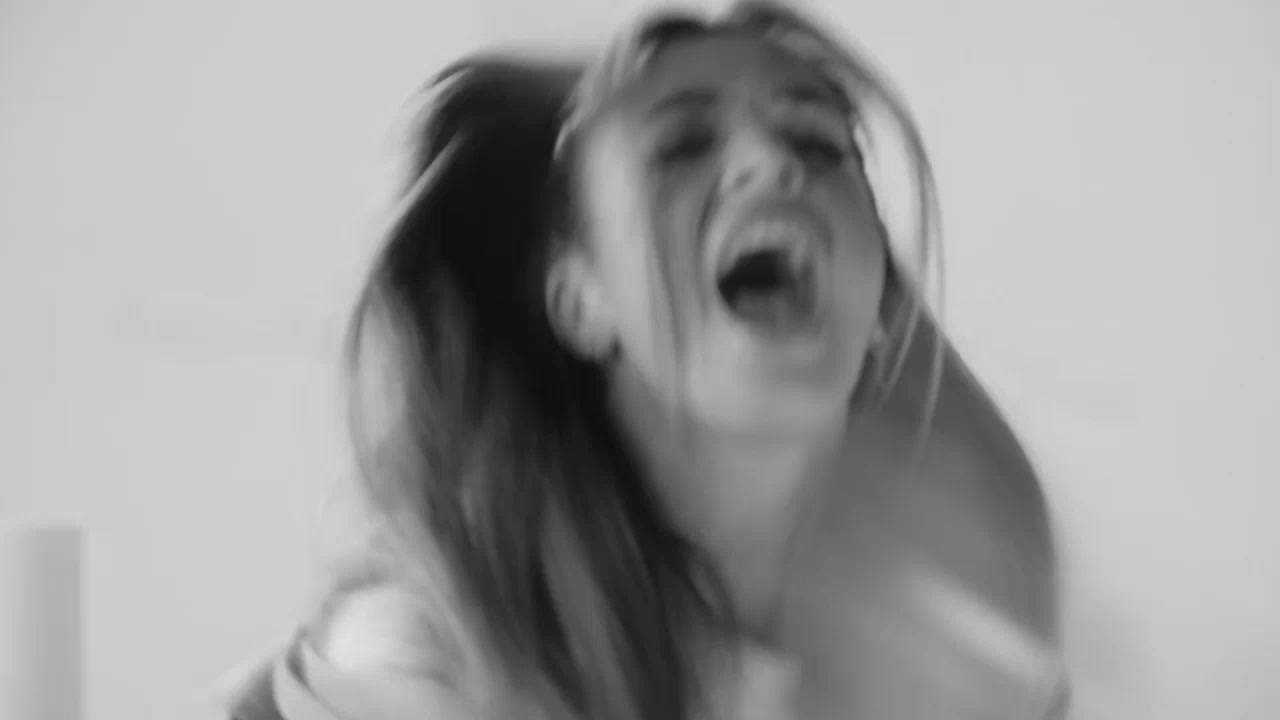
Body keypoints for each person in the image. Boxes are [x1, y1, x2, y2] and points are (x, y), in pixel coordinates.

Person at [223, 2, 1066, 718]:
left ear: (880, 309)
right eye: (681, 146)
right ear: (577, 300)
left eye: (818, 139)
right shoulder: (423, 656)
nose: (773, 162)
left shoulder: (952, 640)